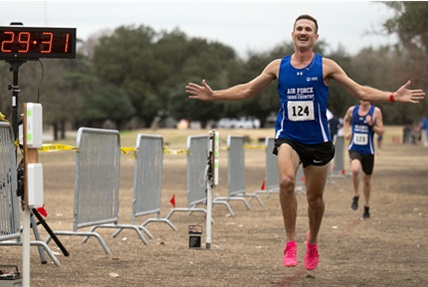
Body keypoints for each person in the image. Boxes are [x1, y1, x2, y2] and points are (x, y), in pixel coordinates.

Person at [185, 14, 425, 271]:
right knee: (287, 181)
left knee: (315, 200)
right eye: (298, 28)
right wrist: (214, 95)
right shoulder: (278, 67)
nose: (303, 32)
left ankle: (313, 241)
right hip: (289, 136)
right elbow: (247, 89)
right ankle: (290, 243)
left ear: (315, 36)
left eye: (308, 29)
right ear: (292, 34)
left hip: (318, 141)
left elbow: (361, 92)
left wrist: (391, 96)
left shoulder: (326, 67)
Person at [343, 100, 384, 219]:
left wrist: (371, 124)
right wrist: (347, 132)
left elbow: (381, 131)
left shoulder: (376, 111)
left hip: (368, 151)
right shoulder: (352, 110)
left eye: (366, 96)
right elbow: (345, 120)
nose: (364, 99)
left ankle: (366, 206)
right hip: (354, 147)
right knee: (355, 170)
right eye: (361, 96)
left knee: (366, 180)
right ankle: (356, 195)